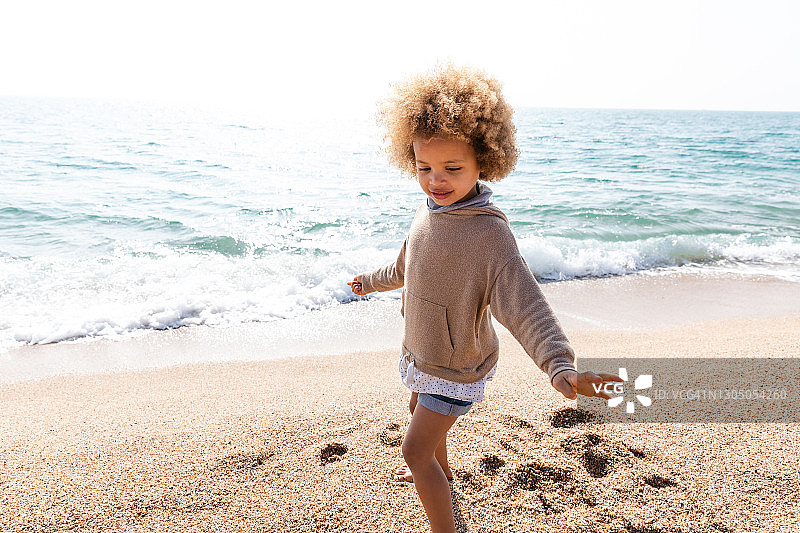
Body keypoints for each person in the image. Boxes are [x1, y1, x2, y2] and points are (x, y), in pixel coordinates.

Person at [347, 64, 621, 533]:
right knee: (418, 415)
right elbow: (405, 269)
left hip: (456, 365)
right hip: (422, 351)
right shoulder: (427, 213)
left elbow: (524, 302)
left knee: (413, 449)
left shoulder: (488, 235)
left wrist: (559, 364)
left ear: (484, 162)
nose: (437, 180)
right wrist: (370, 282)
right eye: (424, 167)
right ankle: (442, 473)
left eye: (453, 168)